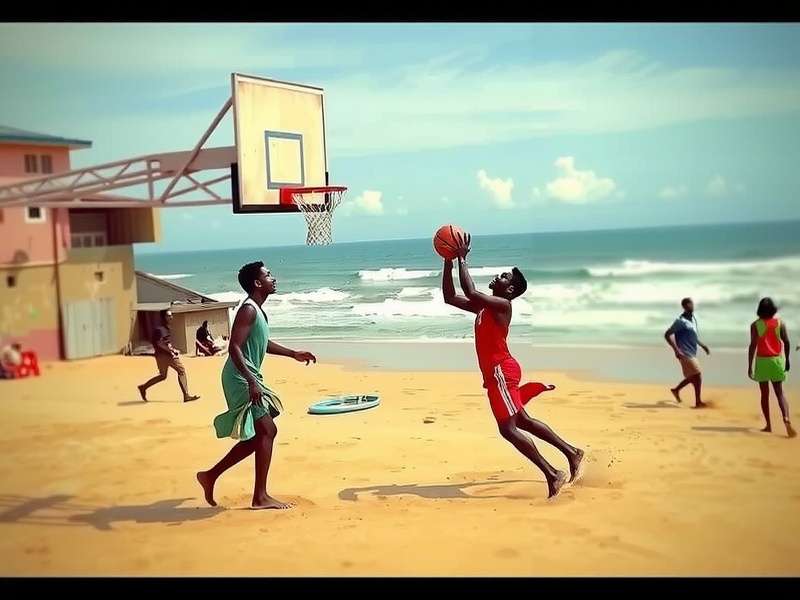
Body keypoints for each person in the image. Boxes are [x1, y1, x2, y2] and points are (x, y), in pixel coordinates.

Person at [442, 233, 584, 499]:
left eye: (505, 277)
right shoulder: (485, 309)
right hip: (500, 372)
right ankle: (572, 453)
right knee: (523, 422)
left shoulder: (502, 305)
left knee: (508, 428)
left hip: (501, 372)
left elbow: (470, 291)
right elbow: (450, 297)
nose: (499, 276)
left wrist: (461, 257)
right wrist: (448, 262)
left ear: (509, 290)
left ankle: (553, 474)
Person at [196, 261, 317, 510]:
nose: (274, 278)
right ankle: (259, 497)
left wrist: (293, 353)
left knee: (261, 432)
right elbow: (234, 347)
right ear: (257, 283)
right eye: (268, 275)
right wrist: (251, 381)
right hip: (240, 378)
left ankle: (210, 476)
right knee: (267, 431)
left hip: (248, 375)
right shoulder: (248, 310)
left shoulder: (257, 311)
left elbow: (262, 342)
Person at [748, 297, 795, 438]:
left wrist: (749, 365)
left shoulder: (755, 325)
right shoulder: (780, 323)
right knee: (780, 393)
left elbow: (752, 346)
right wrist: (787, 359)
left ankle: (768, 425)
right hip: (776, 361)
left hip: (762, 362)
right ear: (773, 309)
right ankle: (786, 418)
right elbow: (786, 342)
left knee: (764, 394)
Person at [137, 309, 200, 403]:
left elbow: (164, 343)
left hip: (160, 356)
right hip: (166, 356)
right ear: (163, 317)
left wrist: (172, 349)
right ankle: (186, 396)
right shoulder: (161, 329)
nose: (171, 317)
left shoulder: (164, 329)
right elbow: (159, 343)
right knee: (181, 370)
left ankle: (143, 387)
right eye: (168, 316)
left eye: (171, 315)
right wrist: (171, 351)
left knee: (163, 376)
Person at [664, 298, 710, 408]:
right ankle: (698, 402)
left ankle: (676, 390)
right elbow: (667, 334)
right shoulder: (680, 321)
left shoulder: (691, 321)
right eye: (690, 304)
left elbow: (693, 337)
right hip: (684, 352)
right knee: (697, 375)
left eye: (692, 304)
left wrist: (702, 345)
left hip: (691, 352)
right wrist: (676, 350)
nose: (692, 306)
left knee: (693, 377)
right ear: (685, 306)